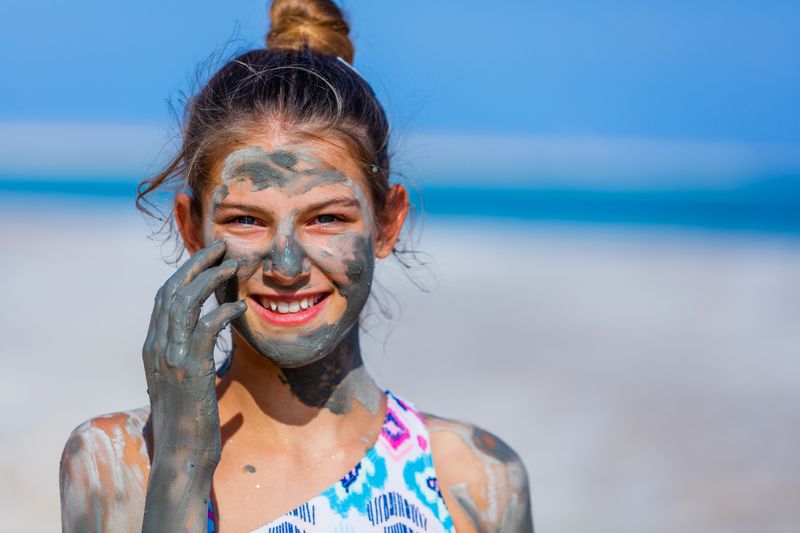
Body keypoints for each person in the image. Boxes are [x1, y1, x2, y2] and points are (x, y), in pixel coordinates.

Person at [59, 1, 533, 531]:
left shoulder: (473, 479)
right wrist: (182, 463)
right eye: (246, 220)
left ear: (388, 222)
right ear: (191, 228)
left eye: (326, 218)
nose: (286, 265)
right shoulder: (119, 462)